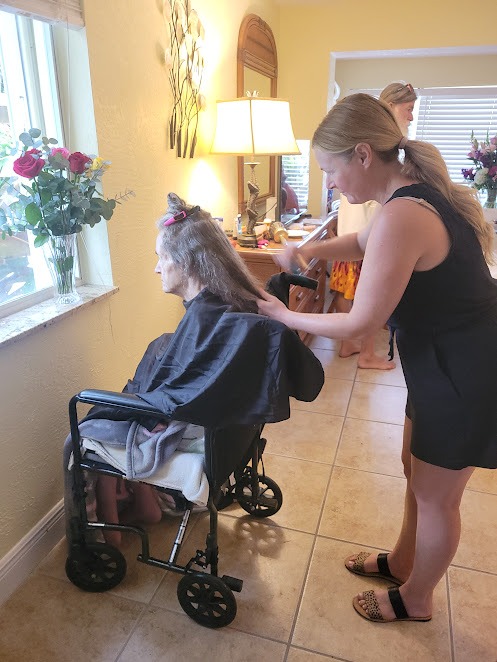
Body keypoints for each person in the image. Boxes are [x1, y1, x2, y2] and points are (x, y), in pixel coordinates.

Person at [258, 92, 497, 623]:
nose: (331, 183)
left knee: (438, 497)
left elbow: (358, 323)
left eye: (332, 170)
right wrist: (308, 251)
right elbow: (362, 244)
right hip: (444, 361)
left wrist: (282, 315)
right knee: (416, 471)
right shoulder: (405, 198)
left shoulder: (405, 213)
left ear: (363, 155)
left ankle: (417, 599)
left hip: (467, 370)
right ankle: (405, 560)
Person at [80, 192, 324, 546]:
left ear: (189, 263)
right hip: (215, 425)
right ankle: (145, 502)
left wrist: (131, 406)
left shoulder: (209, 319)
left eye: (161, 258)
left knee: (90, 427)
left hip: (193, 430)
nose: (156, 267)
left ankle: (113, 530)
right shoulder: (229, 306)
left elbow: (172, 400)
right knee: (126, 404)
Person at [328, 82, 418, 369]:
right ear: (392, 107)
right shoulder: (381, 157)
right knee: (366, 296)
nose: (411, 117)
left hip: (354, 231)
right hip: (364, 234)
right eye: (409, 110)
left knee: (346, 291)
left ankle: (350, 345)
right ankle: (365, 353)